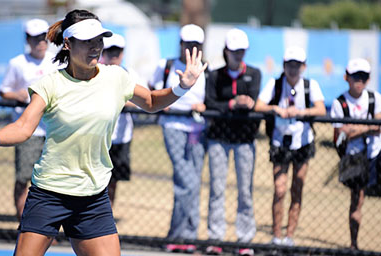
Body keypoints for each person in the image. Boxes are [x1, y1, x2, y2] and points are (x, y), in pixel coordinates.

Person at [0, 9, 207, 256]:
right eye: (87, 41)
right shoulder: (50, 84)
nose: (95, 47)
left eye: (99, 40)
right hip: (49, 193)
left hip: (93, 197)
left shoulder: (116, 77)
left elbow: (152, 101)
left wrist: (181, 87)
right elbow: (23, 127)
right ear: (67, 44)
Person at [254, 46, 326, 246]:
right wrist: (276, 108)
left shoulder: (310, 85)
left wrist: (300, 112)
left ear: (303, 66)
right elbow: (258, 105)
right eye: (289, 64)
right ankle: (276, 236)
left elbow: (320, 109)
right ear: (284, 65)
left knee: (297, 188)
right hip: (280, 142)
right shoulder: (275, 84)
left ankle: (289, 237)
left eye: (296, 65)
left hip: (302, 143)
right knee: (279, 189)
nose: (292, 69)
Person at [148, 24, 207, 254]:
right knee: (187, 182)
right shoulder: (166, 66)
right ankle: (177, 235)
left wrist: (204, 106)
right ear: (180, 44)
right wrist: (162, 104)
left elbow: (210, 97)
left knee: (190, 183)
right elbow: (151, 91)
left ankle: (189, 237)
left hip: (198, 129)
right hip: (172, 126)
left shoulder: (206, 70)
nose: (191, 49)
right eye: (187, 44)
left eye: (196, 45)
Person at [204, 28, 261, 256]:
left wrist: (249, 102)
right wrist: (231, 104)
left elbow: (256, 99)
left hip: (245, 139)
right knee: (217, 189)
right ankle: (215, 237)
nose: (239, 55)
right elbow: (209, 102)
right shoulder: (215, 75)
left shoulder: (254, 74)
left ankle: (245, 239)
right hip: (219, 138)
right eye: (235, 51)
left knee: (245, 190)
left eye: (242, 51)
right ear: (226, 51)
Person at [330, 58, 381, 250]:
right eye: (355, 76)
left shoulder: (374, 98)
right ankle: (354, 245)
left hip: (379, 148)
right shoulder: (339, 103)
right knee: (357, 201)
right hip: (356, 155)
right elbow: (341, 134)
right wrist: (367, 127)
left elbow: (379, 126)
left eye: (363, 77)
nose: (359, 81)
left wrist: (355, 128)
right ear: (346, 77)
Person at [0, 18, 58, 222]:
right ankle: (22, 223)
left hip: (53, 130)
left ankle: (47, 222)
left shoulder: (56, 60)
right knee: (23, 178)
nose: (41, 42)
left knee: (52, 181)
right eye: (36, 38)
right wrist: (20, 95)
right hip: (27, 131)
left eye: (44, 38)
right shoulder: (17, 63)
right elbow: (4, 91)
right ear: (27, 39)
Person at [100, 33, 147, 205]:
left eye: (117, 51)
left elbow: (145, 100)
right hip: (97, 136)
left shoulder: (130, 74)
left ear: (122, 53)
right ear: (103, 52)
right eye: (110, 51)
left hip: (121, 137)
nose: (114, 55)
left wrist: (125, 102)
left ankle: (107, 216)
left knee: (113, 181)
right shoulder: (95, 72)